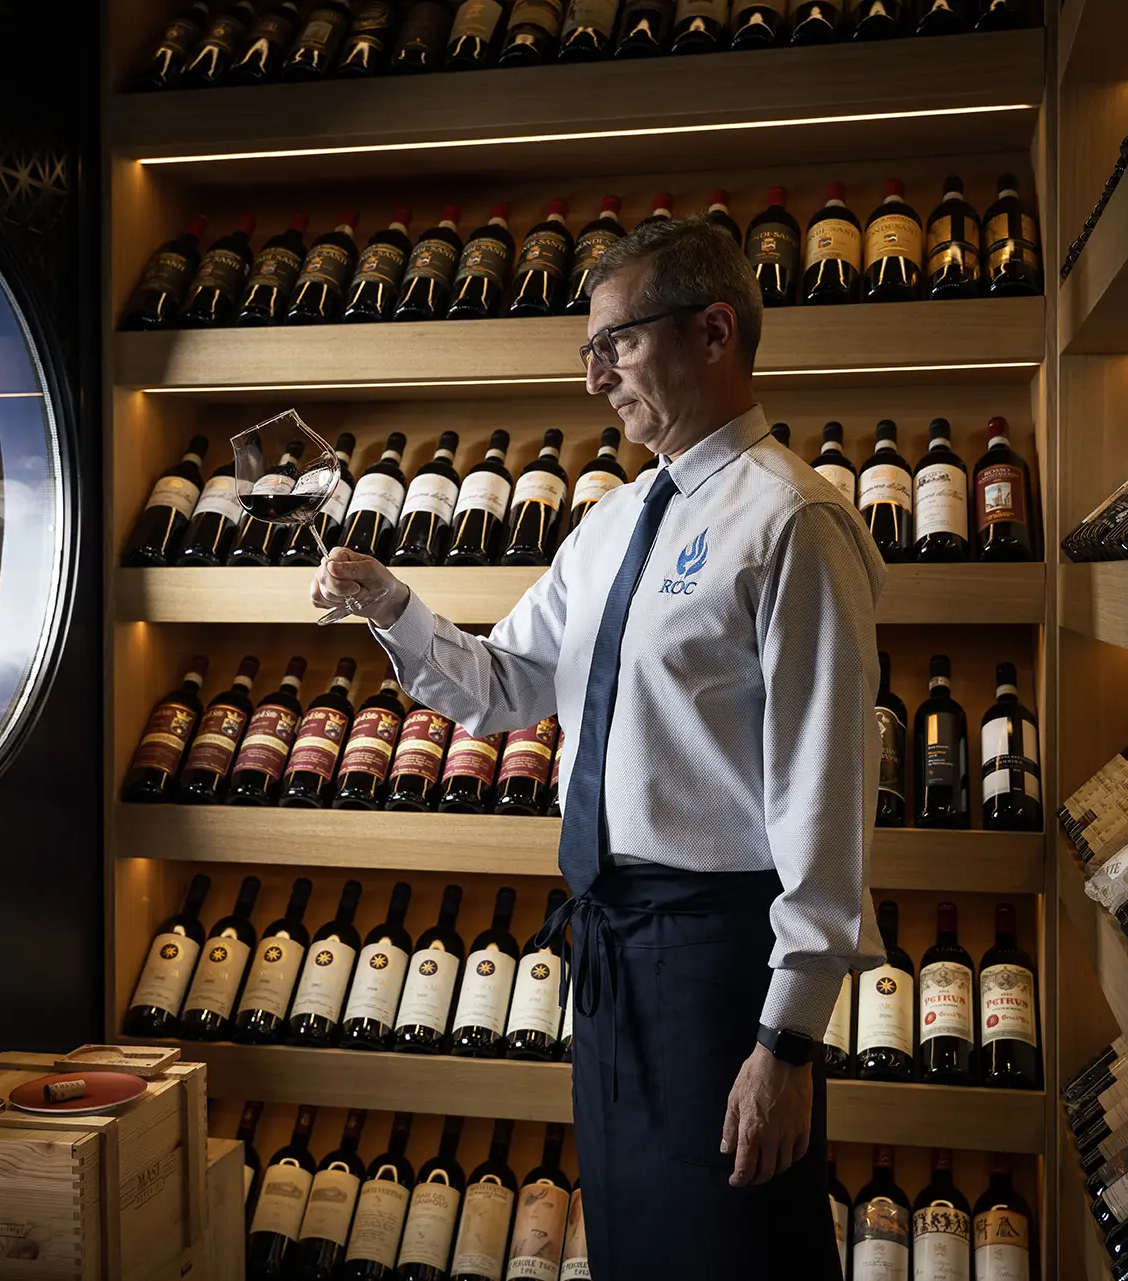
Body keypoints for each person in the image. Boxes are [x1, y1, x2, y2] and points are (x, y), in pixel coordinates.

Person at [310, 216, 885, 1278]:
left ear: (714, 332)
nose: (594, 378)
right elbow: (500, 692)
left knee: (732, 1256)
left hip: (722, 969)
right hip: (611, 955)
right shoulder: (611, 525)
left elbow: (827, 794)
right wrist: (390, 603)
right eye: (591, 350)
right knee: (634, 1247)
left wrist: (788, 1044)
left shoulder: (794, 524)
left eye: (614, 343)